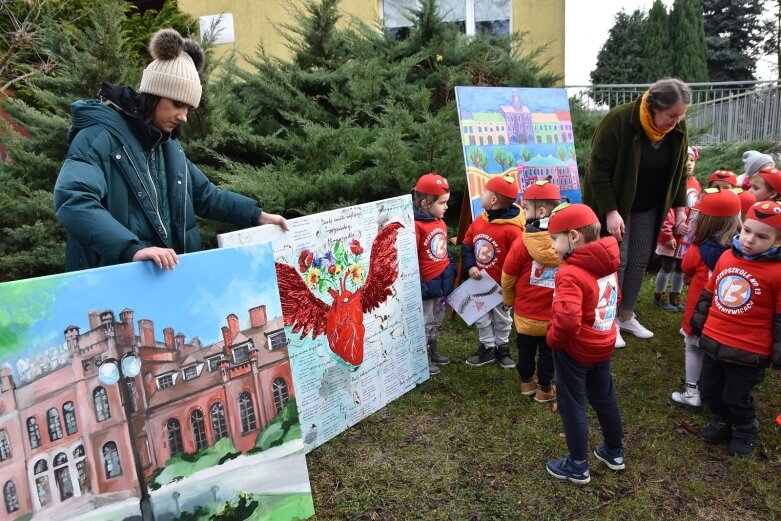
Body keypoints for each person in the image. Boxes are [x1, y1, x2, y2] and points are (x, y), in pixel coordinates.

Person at [54, 28, 287, 272]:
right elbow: (73, 200)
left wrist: (257, 215)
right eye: (177, 104)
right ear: (154, 95)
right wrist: (131, 249)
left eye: (188, 108)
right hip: (116, 285)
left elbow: (204, 194)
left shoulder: (168, 146)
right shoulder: (99, 137)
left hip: (169, 281)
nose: (183, 117)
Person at [583, 78, 691, 348]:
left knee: (640, 259)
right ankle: (607, 320)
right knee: (616, 261)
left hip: (649, 206)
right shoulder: (618, 121)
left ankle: (627, 315)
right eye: (671, 115)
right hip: (616, 206)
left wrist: (679, 210)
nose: (676, 122)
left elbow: (678, 172)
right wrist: (610, 211)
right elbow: (597, 170)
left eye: (680, 115)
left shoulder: (677, 128)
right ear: (654, 106)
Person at [691, 200, 781, 456]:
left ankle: (744, 427)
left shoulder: (777, 272)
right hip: (715, 341)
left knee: (736, 395)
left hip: (749, 350)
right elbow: (710, 293)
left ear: (777, 242)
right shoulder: (727, 256)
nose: (750, 239)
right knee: (708, 388)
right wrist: (698, 323)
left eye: (762, 236)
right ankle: (721, 420)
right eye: (747, 231)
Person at [544, 203, 624, 485]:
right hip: (603, 344)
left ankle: (577, 465)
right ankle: (614, 452)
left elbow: (566, 321)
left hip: (575, 351)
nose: (552, 247)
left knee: (572, 403)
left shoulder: (570, 272)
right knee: (604, 396)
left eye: (555, 239)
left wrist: (553, 340)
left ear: (574, 237)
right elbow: (616, 299)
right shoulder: (608, 263)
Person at [671, 188, 742, 409]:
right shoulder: (742, 251)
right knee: (718, 355)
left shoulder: (697, 249)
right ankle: (718, 393)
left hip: (698, 311)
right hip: (727, 315)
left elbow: (686, 269)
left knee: (693, 347)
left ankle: (692, 392)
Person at [501, 179, 562, 403]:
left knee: (525, 350)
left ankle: (526, 382)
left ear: (541, 211)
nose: (522, 211)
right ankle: (545, 388)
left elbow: (508, 276)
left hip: (525, 313)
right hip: (553, 315)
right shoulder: (566, 242)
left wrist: (508, 299)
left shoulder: (521, 243)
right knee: (549, 353)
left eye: (525, 207)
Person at [462, 174, 524, 368]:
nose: (481, 194)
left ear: (494, 200)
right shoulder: (480, 221)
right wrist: (471, 266)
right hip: (480, 283)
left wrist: (510, 285)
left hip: (501, 287)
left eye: (484, 192)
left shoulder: (513, 230)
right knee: (481, 317)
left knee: (503, 318)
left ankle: (502, 348)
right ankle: (487, 347)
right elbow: (467, 244)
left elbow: (518, 260)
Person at [413, 173, 456, 376]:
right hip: (427, 283)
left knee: (437, 318)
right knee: (425, 320)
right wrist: (419, 282)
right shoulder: (417, 226)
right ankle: (422, 357)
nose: (446, 207)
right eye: (442, 203)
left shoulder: (440, 221)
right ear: (425, 203)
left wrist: (450, 268)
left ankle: (432, 348)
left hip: (442, 281)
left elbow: (441, 250)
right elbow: (412, 258)